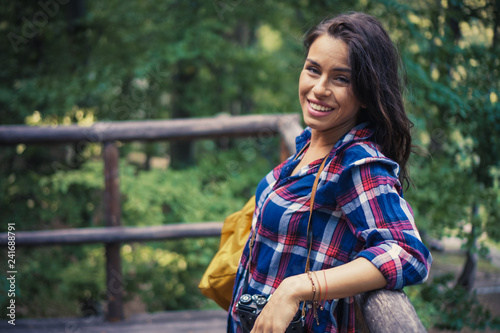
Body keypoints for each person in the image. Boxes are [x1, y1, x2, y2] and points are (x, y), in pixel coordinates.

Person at [227, 11, 432, 333]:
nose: (319, 88)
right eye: (313, 70)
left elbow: (408, 253)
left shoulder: (358, 164)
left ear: (366, 92)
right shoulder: (310, 143)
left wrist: (295, 288)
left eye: (341, 78)